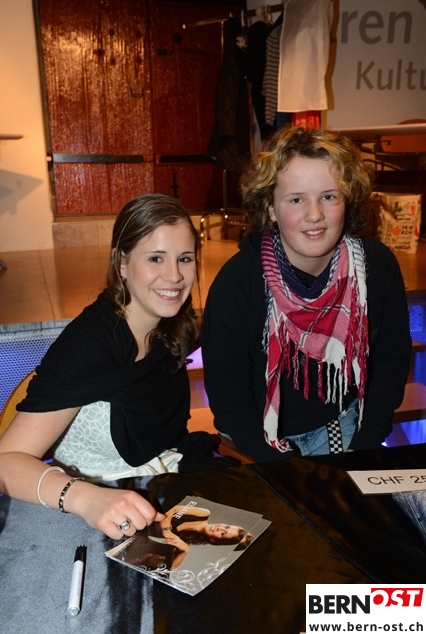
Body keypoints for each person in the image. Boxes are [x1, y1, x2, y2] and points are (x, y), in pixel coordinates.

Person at [0, 194, 234, 540]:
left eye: (184, 259)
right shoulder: (90, 343)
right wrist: (84, 498)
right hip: (91, 508)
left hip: (163, 483)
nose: (174, 276)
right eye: (155, 258)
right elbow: (6, 460)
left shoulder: (173, 325)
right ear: (122, 263)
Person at [202, 126, 412, 462]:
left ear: (348, 199)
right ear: (270, 208)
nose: (315, 215)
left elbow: (392, 360)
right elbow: (230, 400)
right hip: (255, 438)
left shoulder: (377, 266)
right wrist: (286, 469)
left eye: (329, 196)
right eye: (296, 199)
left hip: (343, 425)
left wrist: (365, 442)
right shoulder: (237, 284)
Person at [120, 503, 253, 571]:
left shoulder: (185, 542)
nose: (220, 528)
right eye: (227, 526)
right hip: (141, 509)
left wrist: (185, 551)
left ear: (214, 540)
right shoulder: (204, 514)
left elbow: (171, 568)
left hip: (130, 526)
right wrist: (167, 531)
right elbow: (174, 508)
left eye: (223, 534)